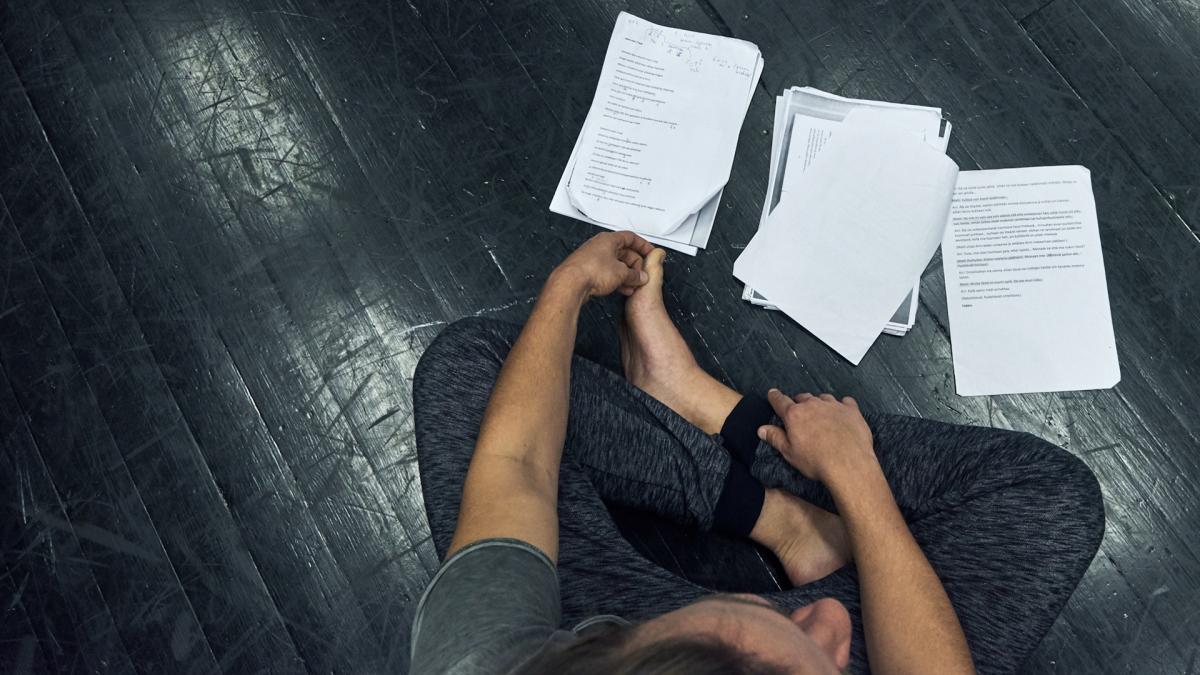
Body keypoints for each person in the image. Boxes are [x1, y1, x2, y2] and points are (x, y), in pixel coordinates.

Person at [409, 232, 1104, 675]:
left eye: (776, 610)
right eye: (821, 655)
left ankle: (730, 461)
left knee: (471, 368)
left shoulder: (485, 662)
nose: (830, 616)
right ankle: (727, 423)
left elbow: (517, 467)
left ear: (609, 644)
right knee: (1048, 503)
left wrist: (568, 287)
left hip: (591, 619)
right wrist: (854, 477)